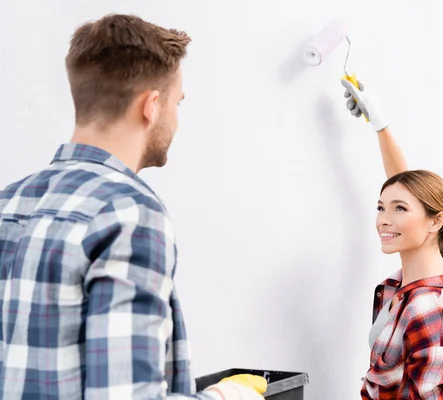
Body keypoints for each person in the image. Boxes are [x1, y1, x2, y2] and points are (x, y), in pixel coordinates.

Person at [0, 14, 266, 400]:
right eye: (177, 102)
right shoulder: (129, 213)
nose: (176, 118)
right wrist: (228, 397)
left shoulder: (10, 201)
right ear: (152, 106)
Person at [341, 79, 443, 399]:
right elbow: (405, 188)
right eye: (380, 208)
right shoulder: (426, 273)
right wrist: (379, 123)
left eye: (398, 209)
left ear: (436, 221)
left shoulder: (426, 310)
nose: (384, 219)